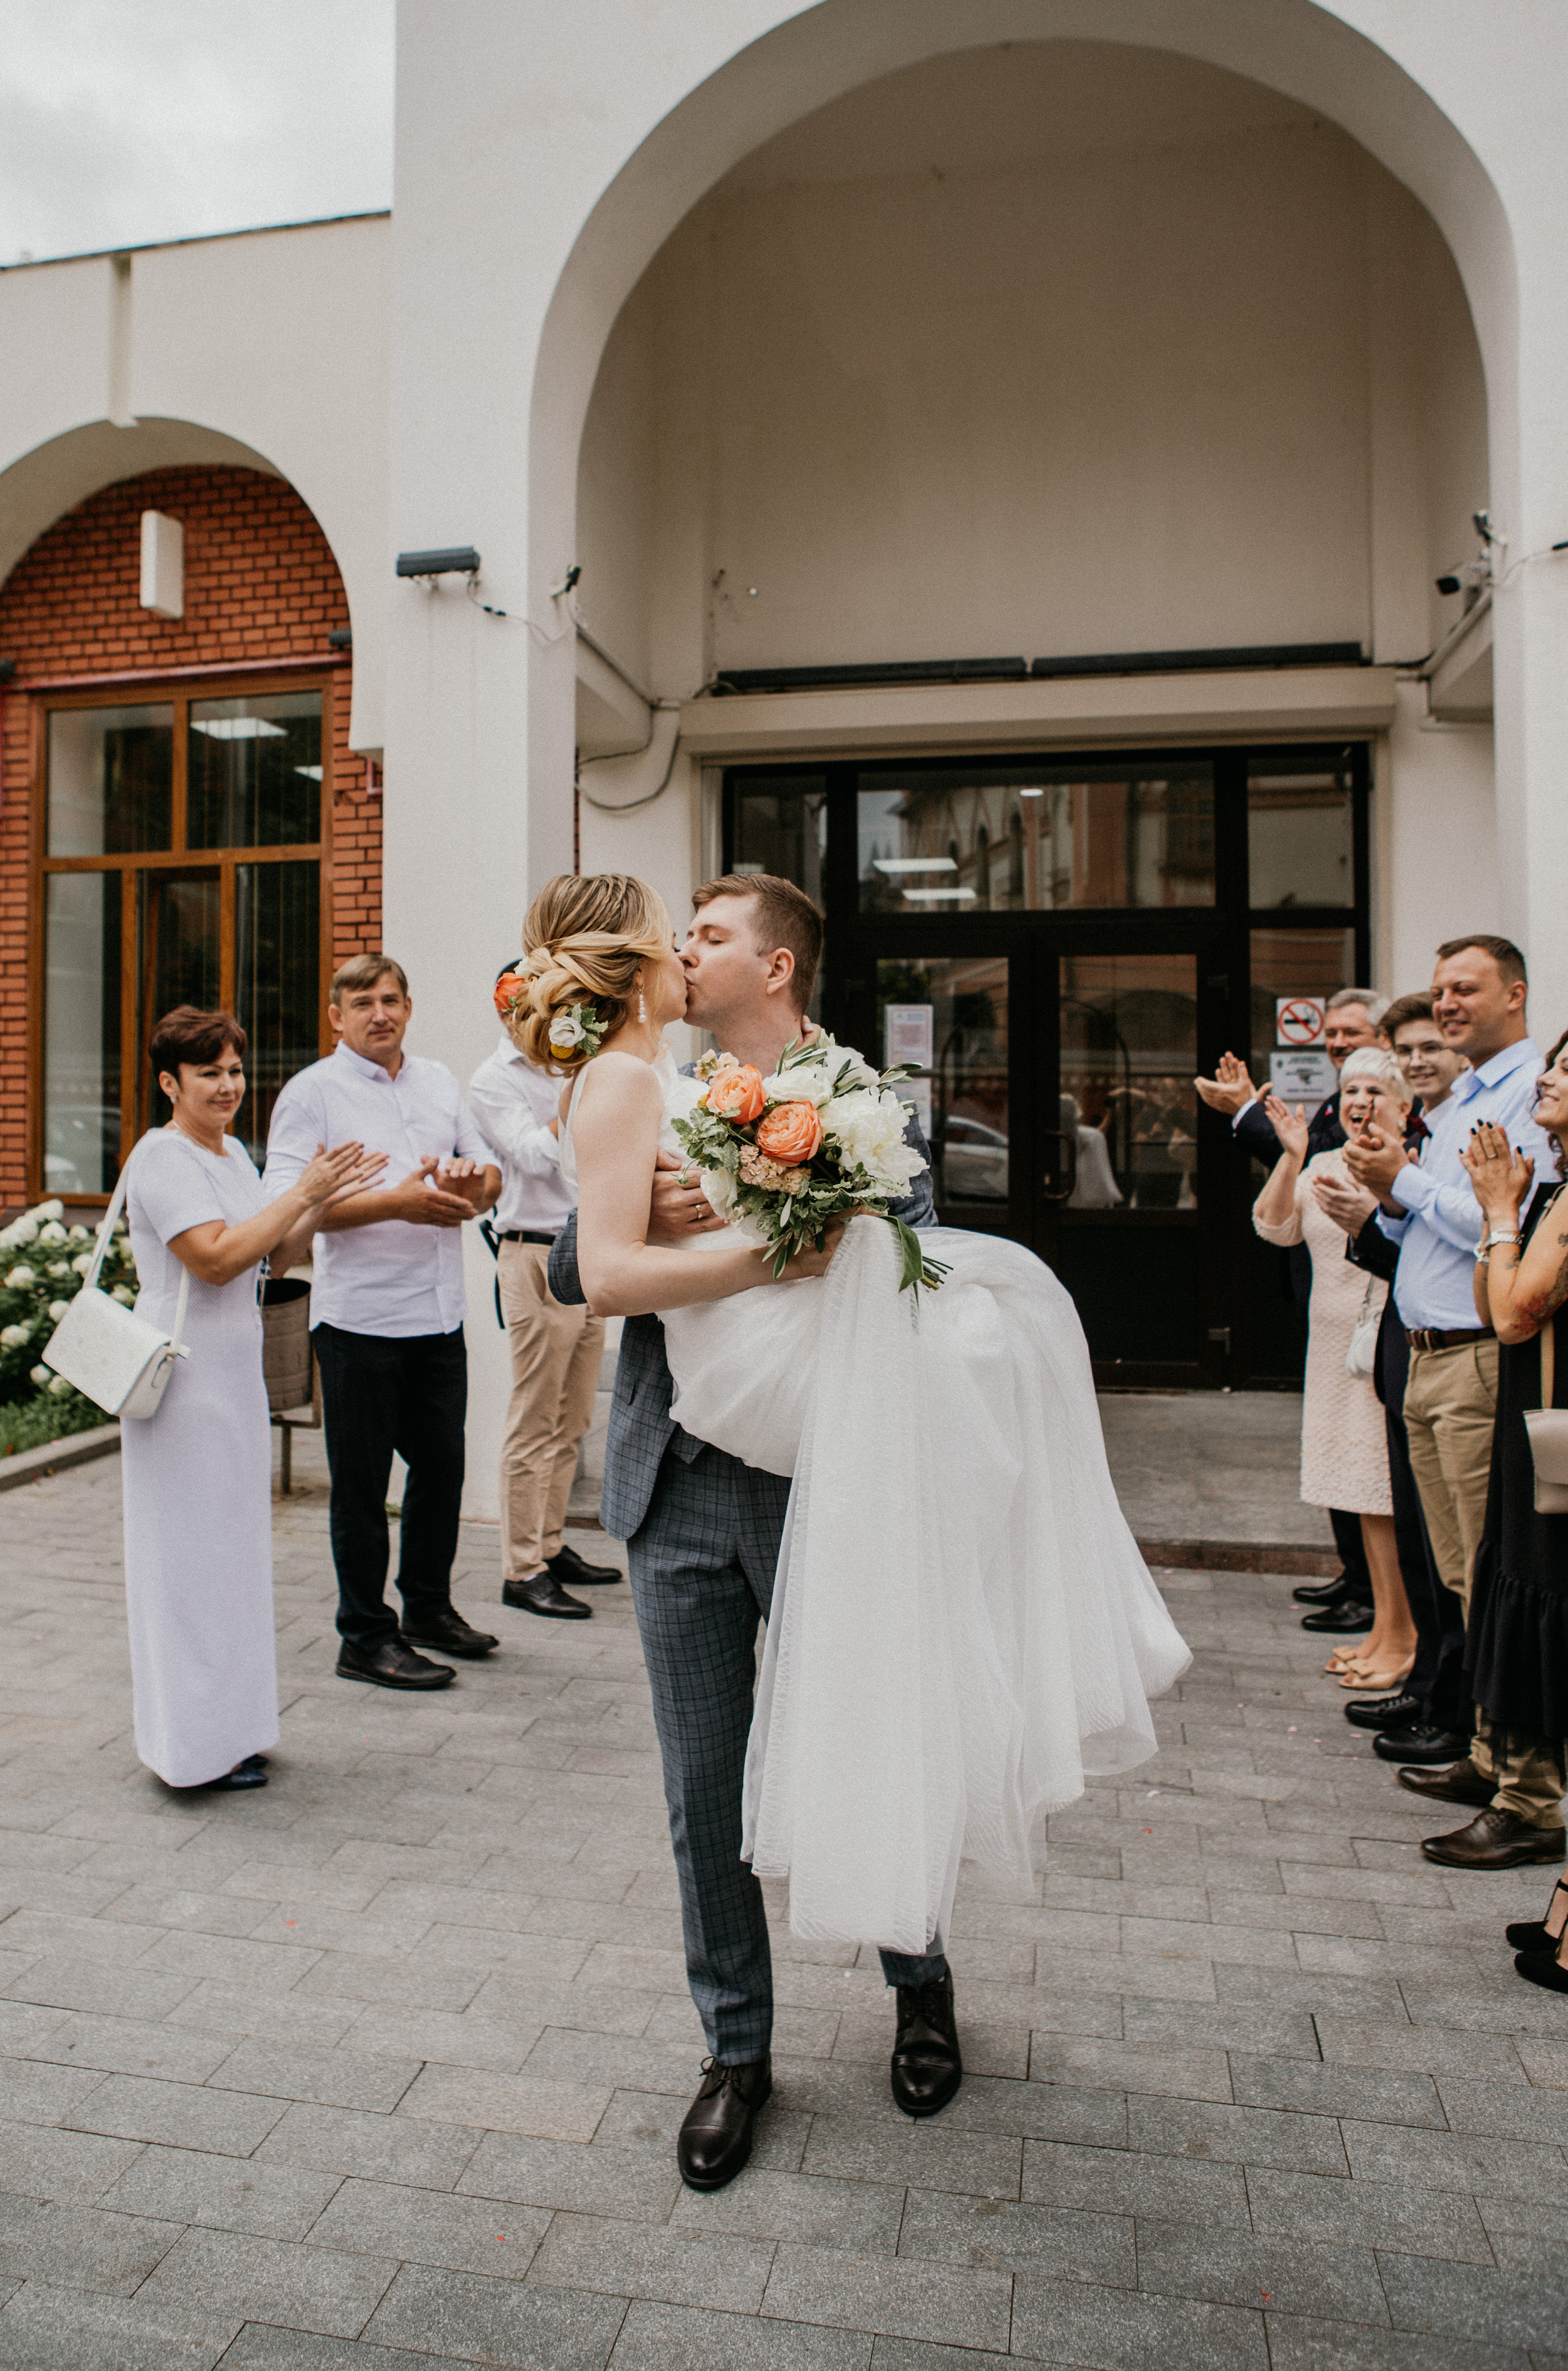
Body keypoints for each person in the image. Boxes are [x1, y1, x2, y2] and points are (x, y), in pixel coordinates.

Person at [539, 870, 1188, 2194]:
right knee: (697, 1792)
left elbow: (910, 1255)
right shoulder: (645, 1082)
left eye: (707, 934)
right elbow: (573, 1261)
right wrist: (664, 1219)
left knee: (880, 1736)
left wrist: (778, 1217)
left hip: (828, 1477)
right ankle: (733, 2053)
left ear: (773, 967)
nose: (681, 949)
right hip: (671, 1488)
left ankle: (921, 1983)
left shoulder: (868, 1100)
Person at [121, 1005, 384, 1791]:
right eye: (210, 1073)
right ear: (170, 1082)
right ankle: (189, 1751)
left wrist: (317, 1202)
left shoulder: (234, 1151)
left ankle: (232, 1731)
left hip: (234, 1382)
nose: (229, 1086)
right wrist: (298, 1188)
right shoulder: (161, 1159)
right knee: (188, 1567)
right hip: (182, 1390)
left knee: (233, 1562)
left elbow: (274, 1256)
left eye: (235, 1070)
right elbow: (212, 1259)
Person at [1344, 934, 1557, 1869]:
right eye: (1439, 991)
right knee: (1461, 1570)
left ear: (1515, 994)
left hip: (1477, 1354)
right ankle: (1485, 1751)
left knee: (1491, 1575)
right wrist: (1386, 1194)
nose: (1448, 1005)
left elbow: (1499, 1212)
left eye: (1464, 990)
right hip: (1427, 1345)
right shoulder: (1464, 1095)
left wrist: (1411, 1184)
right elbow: (1438, 1219)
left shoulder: (1520, 1094)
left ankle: (1529, 1791)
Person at [264, 955, 502, 1691]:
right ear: (336, 1016)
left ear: (409, 1006)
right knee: (362, 1491)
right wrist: (394, 1204)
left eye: (391, 999)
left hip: (437, 1318)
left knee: (440, 1475)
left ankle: (428, 1609)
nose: (379, 1013)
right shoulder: (311, 1096)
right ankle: (364, 1636)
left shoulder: (437, 1081)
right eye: (362, 1001)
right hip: (359, 1324)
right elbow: (282, 1213)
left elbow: (489, 1175)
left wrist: (470, 1184)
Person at [1199, 988, 1390, 1633]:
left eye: (1351, 1034)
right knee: (1337, 1446)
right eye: (1331, 1035)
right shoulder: (1342, 1099)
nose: (1337, 1045)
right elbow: (1301, 1163)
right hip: (1325, 1305)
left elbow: (1317, 1148)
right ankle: (1355, 1574)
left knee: (1369, 1453)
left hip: (1368, 1307)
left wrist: (1250, 1109)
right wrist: (1266, 1124)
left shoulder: (1379, 1109)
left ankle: (1376, 1593)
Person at [1430, 1032, 1568, 1915]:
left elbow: (1515, 1316)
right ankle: (1518, 1788)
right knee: (1509, 1576)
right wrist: (1502, 1211)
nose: (1549, 1078)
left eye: (1567, 1069)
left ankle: (1535, 1804)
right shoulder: (1552, 1190)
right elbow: (1495, 1299)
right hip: (1534, 1425)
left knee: (1542, 1593)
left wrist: (1498, 1211)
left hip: (1557, 1433)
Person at [1313, 996, 1468, 1767]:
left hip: (1451, 1342)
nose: (1414, 1059)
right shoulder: (1425, 1138)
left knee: (1453, 1547)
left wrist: (1382, 1204)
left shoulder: (1452, 1135)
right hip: (1405, 1342)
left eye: (1428, 1046)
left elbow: (1457, 1235)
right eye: (1405, 1047)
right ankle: (1428, 1678)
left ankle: (1447, 1695)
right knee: (1419, 1528)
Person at [1252, 1052, 1417, 1691]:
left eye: (1375, 1089)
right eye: (1351, 1088)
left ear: (1402, 1105)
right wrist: (1291, 1153)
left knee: (1382, 1497)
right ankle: (1384, 1629)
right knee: (1354, 1493)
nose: (1360, 1099)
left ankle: (1402, 1635)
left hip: (1377, 1339)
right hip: (1327, 1345)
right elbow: (1273, 1228)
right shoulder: (1320, 1163)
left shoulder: (1402, 1169)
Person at [468, 962, 615, 1620]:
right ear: (508, 1012)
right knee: (534, 1417)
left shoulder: (568, 1063)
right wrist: (578, 1091)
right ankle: (520, 1568)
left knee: (574, 1415)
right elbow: (532, 1156)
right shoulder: (493, 1079)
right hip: (533, 1253)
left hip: (585, 1250)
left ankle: (551, 1546)